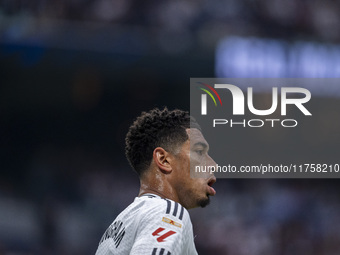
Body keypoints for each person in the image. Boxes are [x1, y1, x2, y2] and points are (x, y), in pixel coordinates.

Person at [95, 107, 216, 255]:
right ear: (163, 160)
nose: (213, 164)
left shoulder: (120, 224)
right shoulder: (165, 211)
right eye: (199, 152)